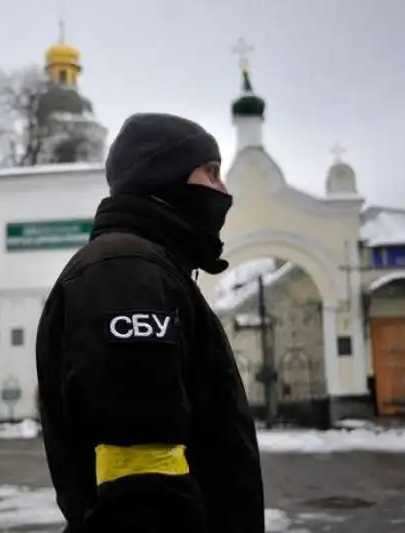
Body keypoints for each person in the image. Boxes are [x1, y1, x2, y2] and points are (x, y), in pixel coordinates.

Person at [35, 112, 265, 533]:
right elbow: (140, 482)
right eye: (210, 173)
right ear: (164, 175)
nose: (222, 190)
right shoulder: (126, 273)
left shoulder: (152, 270)